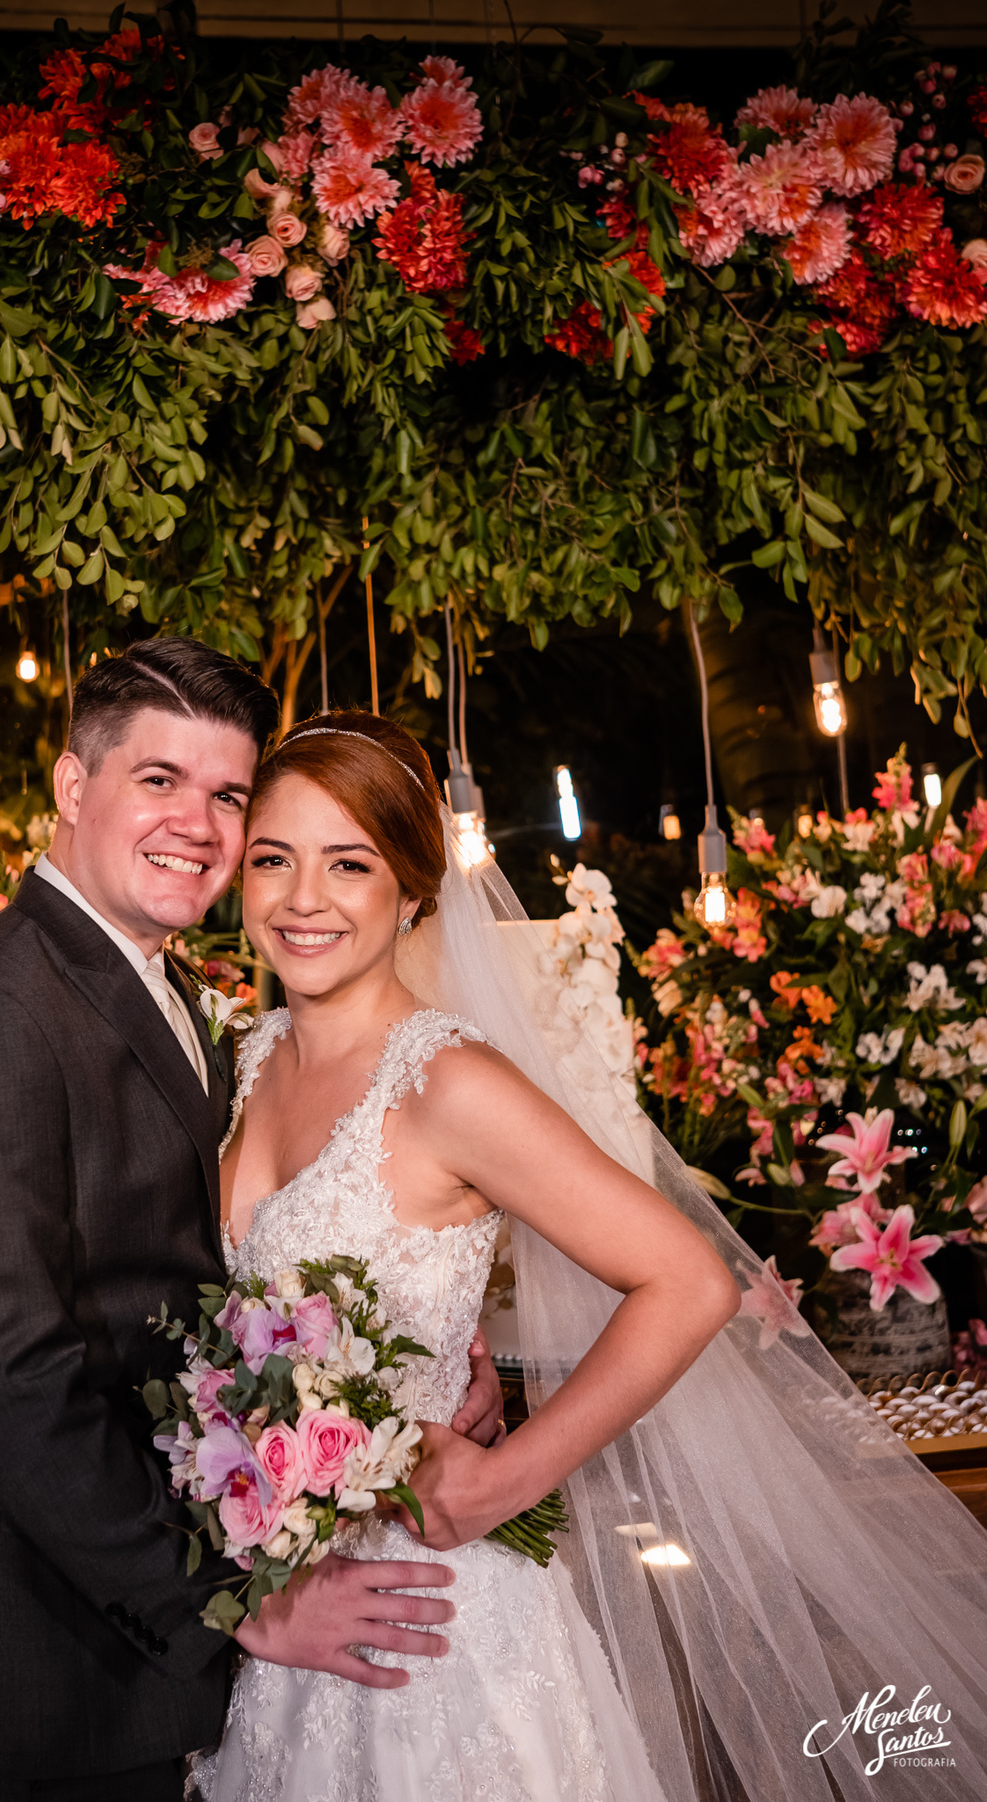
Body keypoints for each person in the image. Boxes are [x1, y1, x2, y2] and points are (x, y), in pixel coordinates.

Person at [198, 710, 987, 1802]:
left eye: (349, 863)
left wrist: (500, 1479)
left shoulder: (448, 1083)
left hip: (433, 1631)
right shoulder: (244, 1060)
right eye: (274, 859)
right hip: (288, 1621)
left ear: (413, 889)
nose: (301, 898)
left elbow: (691, 1278)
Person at [0, 642, 504, 1802]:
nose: (199, 824)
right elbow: (4, 1379)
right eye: (158, 779)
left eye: (225, 794)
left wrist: (412, 1344)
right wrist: (229, 1597)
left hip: (151, 1676)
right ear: (72, 788)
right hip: (40, 1678)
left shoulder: (174, 1004)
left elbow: (205, 1281)